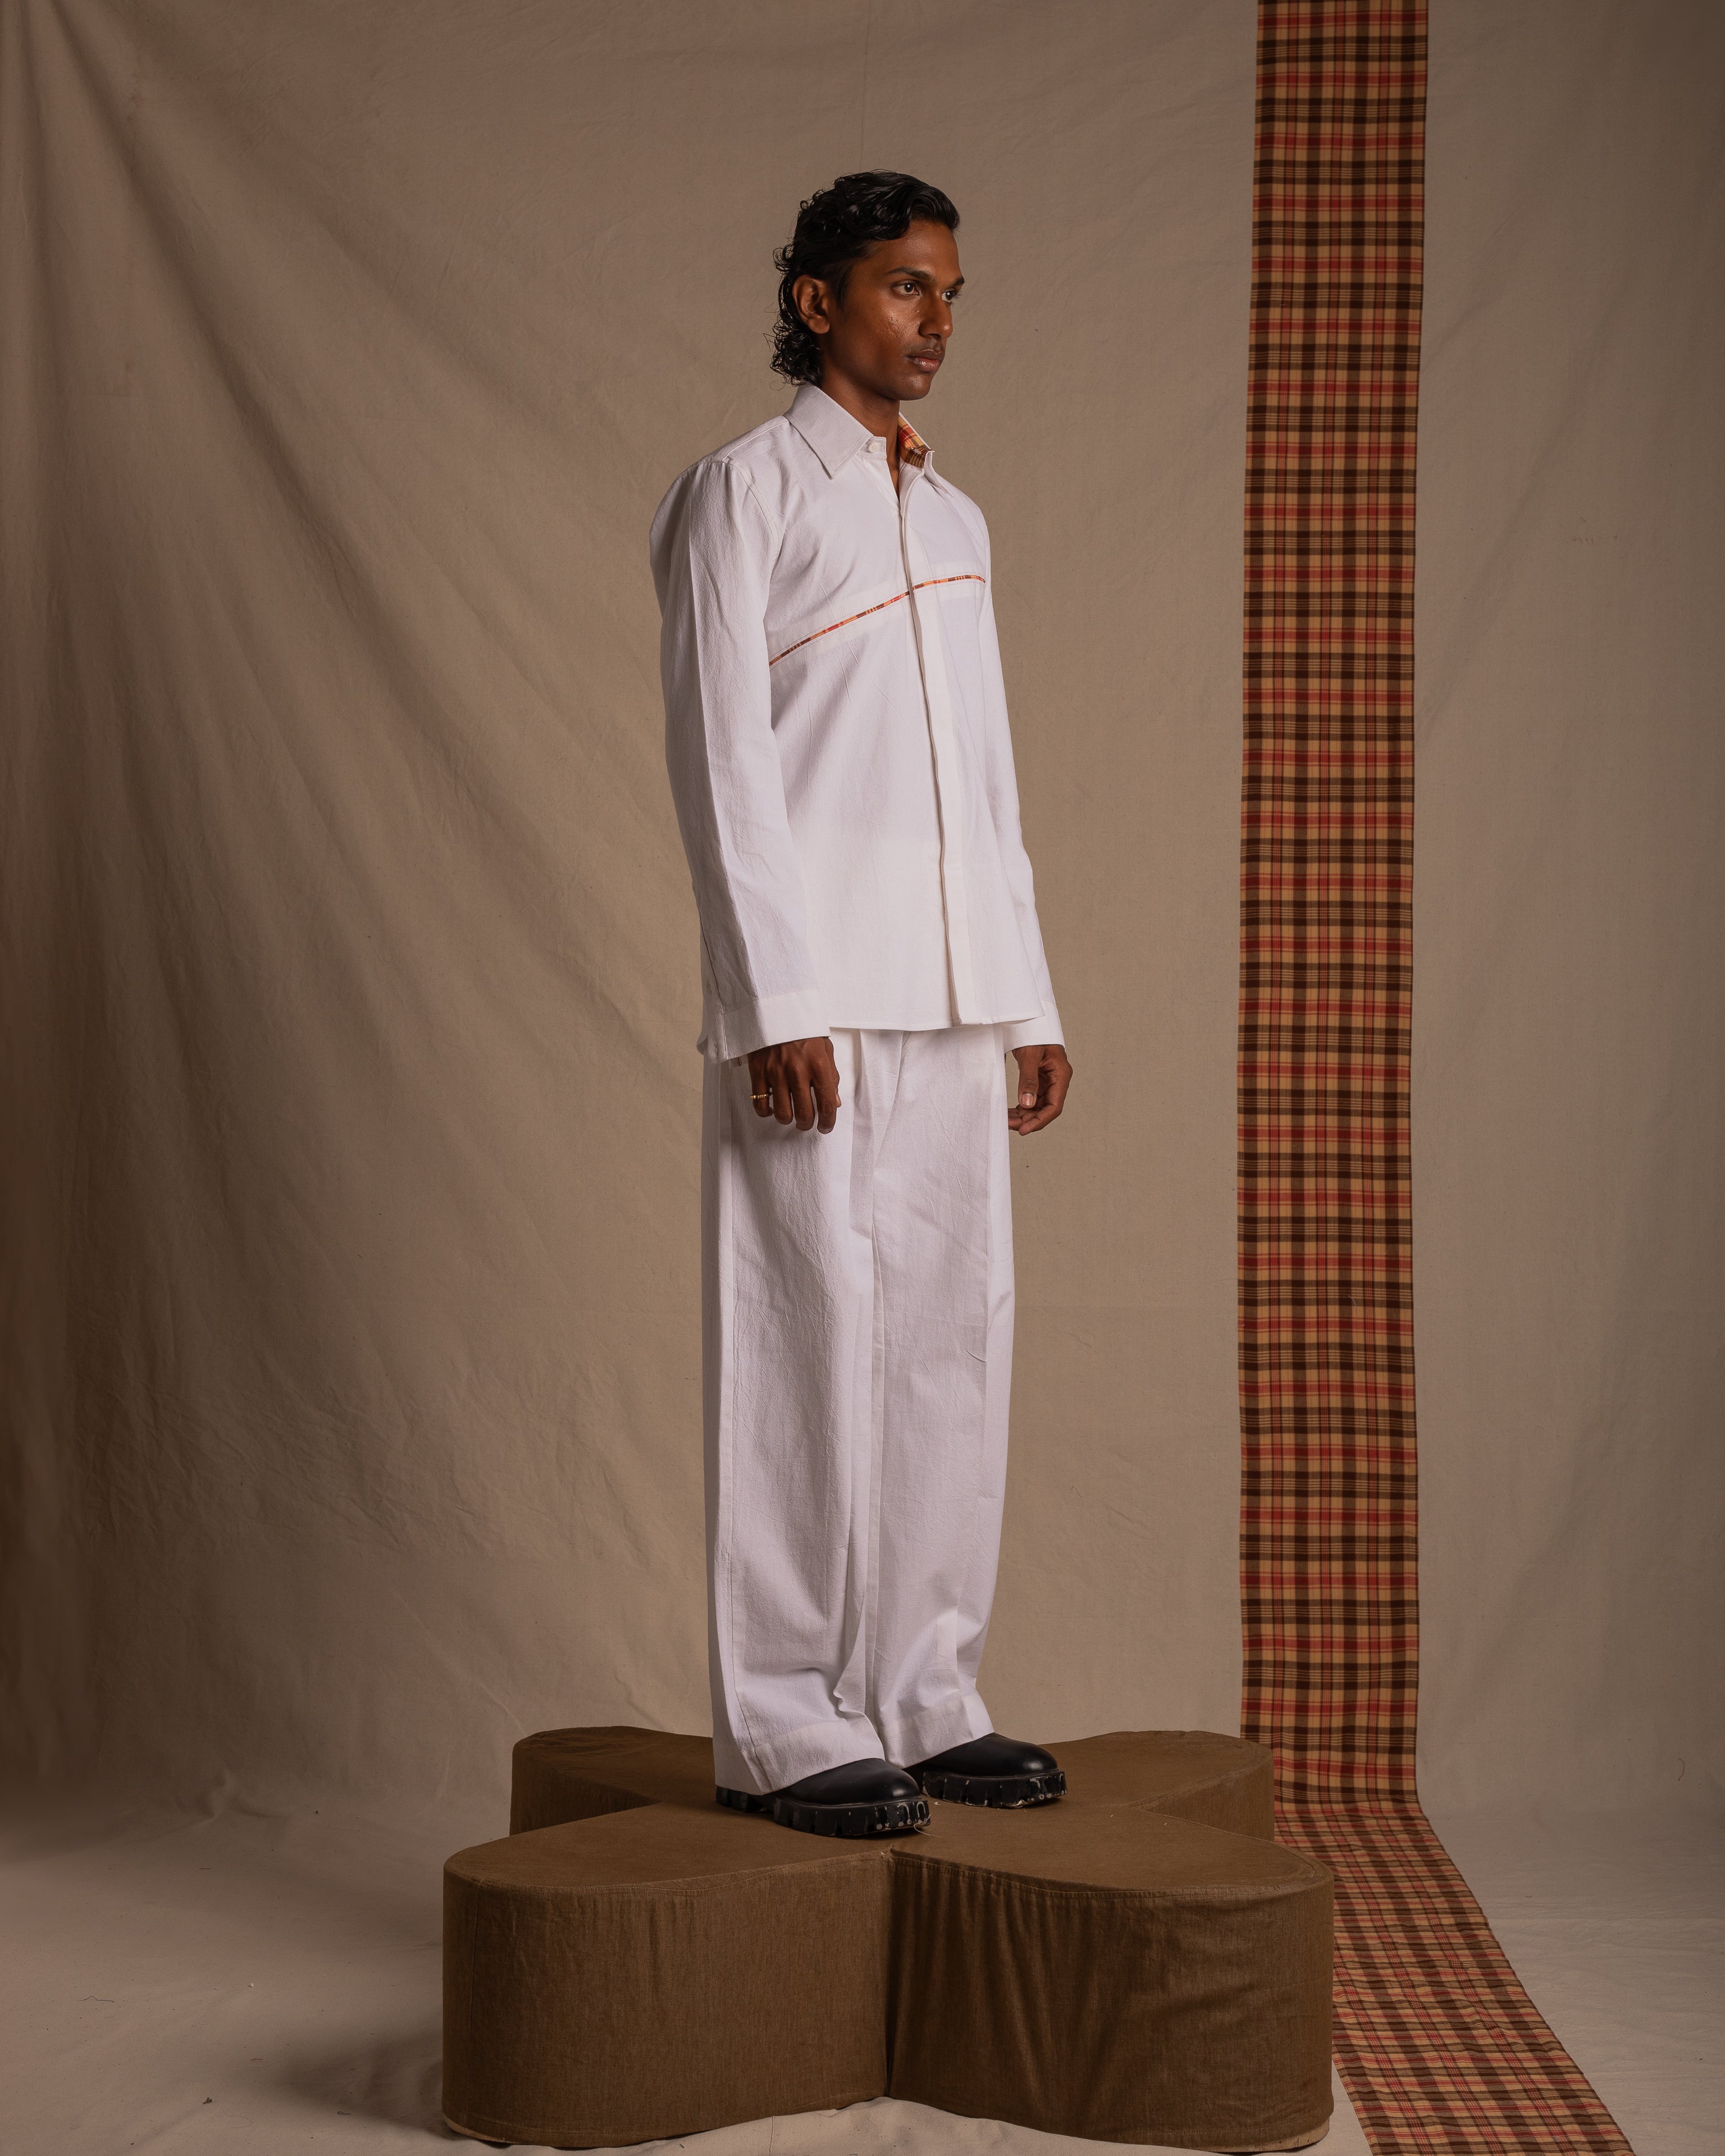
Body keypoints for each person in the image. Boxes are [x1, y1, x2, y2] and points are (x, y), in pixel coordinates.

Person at [650, 172, 1073, 1839]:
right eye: (907, 287)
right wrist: (772, 999)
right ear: (820, 302)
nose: (938, 320)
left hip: (960, 998)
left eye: (952, 292)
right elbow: (719, 763)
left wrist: (1028, 993)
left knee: (953, 1353)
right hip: (813, 997)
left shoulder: (957, 523)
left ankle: (925, 1691)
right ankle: (778, 1722)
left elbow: (988, 778)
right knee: (799, 1344)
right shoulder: (739, 493)